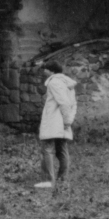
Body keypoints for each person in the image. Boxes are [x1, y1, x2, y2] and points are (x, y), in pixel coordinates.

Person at [35, 60, 77, 189]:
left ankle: (48, 181)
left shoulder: (54, 82)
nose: (44, 71)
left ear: (51, 71)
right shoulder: (67, 82)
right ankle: (62, 180)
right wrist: (69, 119)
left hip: (55, 121)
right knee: (62, 150)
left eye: (46, 69)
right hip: (63, 120)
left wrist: (67, 121)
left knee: (47, 149)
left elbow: (63, 102)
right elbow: (73, 103)